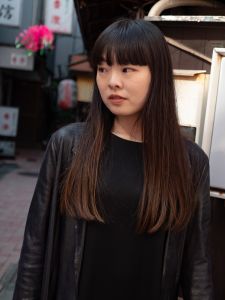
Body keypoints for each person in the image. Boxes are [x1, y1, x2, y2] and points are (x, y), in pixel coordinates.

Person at [13, 19, 213, 300]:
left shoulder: (190, 162)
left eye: (127, 69)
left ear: (157, 74)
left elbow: (198, 265)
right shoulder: (69, 146)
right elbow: (35, 247)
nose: (112, 81)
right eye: (103, 69)